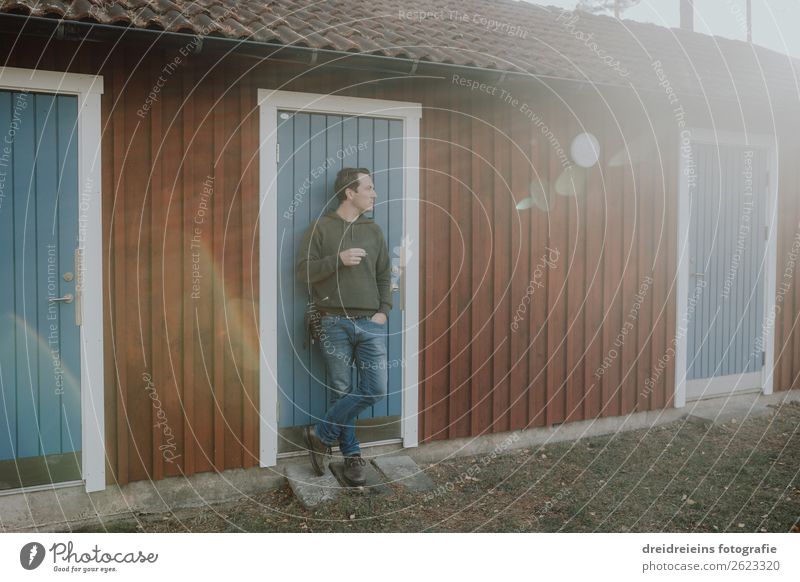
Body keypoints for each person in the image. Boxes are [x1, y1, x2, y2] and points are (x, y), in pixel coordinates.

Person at [295, 167, 391, 486]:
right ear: (350, 193)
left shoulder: (374, 231)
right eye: (369, 188)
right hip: (332, 322)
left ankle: (320, 434)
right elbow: (303, 273)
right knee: (342, 390)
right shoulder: (320, 229)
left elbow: (384, 276)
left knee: (375, 388)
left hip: (370, 323)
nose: (374, 193)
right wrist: (338, 259)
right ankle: (352, 457)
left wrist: (384, 311)